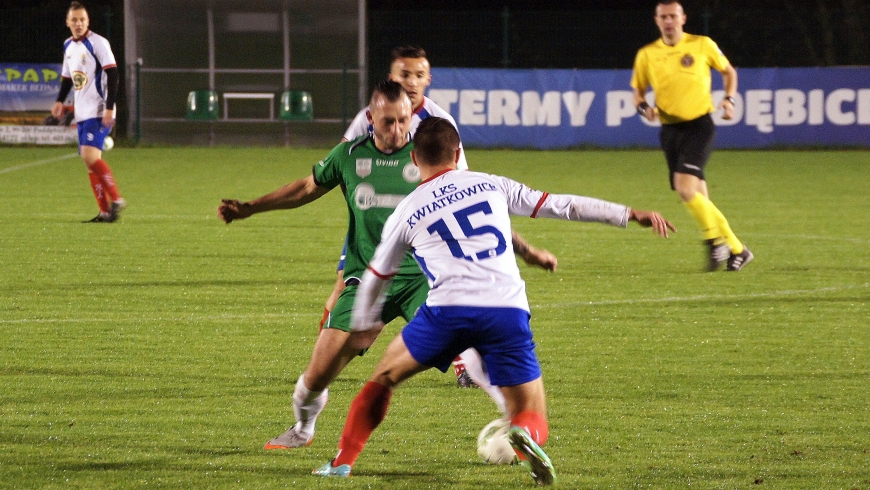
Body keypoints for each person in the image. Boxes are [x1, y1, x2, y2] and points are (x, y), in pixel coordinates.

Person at [312, 117, 675, 485]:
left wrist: (362, 323)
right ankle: (527, 435)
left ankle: (343, 461)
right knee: (532, 413)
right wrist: (629, 213)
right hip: (506, 310)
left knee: (384, 377)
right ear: (457, 152)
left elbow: (377, 276)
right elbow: (561, 205)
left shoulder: (406, 210)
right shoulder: (492, 184)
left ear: (415, 159)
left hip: (446, 311)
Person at [217, 80, 449, 451]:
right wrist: (251, 208)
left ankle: (520, 427)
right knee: (316, 376)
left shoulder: (426, 156)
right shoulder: (349, 156)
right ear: (370, 118)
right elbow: (305, 188)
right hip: (366, 281)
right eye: (388, 122)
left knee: (479, 345)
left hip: (420, 279)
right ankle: (303, 429)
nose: (398, 130)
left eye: (405, 121)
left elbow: (463, 200)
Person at [332, 46, 556, 396]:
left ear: (429, 80)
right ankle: (328, 367)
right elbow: (343, 161)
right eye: (404, 74)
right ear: (391, 78)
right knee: (342, 295)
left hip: (425, 228)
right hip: (373, 227)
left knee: (441, 293)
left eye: (419, 75)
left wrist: (525, 249)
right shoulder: (368, 116)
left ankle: (467, 363)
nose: (412, 81)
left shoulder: (439, 122)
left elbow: (468, 193)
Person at [631, 0, 752, 271]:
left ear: (683, 18)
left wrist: (729, 100)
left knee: (685, 189)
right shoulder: (647, 54)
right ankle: (727, 246)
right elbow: (637, 91)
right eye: (663, 16)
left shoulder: (702, 44)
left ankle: (724, 245)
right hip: (670, 130)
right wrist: (643, 107)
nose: (669, 21)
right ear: (657, 20)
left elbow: (728, 71)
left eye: (673, 15)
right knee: (697, 195)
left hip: (699, 126)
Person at [52, 1, 126, 223]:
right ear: (68, 22)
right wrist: (59, 101)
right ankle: (104, 212)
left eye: (82, 19)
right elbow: (68, 78)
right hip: (83, 112)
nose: (78, 23)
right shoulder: (68, 45)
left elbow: (113, 75)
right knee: (89, 162)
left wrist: (110, 108)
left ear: (88, 21)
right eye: (74, 20)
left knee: (88, 155)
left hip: (99, 109)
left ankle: (117, 199)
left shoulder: (98, 43)